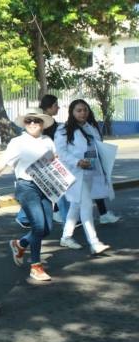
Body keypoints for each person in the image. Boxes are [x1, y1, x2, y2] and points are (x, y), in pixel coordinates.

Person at [0, 108, 57, 281]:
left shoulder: (48, 140)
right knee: (38, 226)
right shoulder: (18, 142)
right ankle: (36, 266)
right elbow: (4, 162)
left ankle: (20, 243)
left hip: (46, 187)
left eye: (36, 121)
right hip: (26, 186)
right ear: (24, 123)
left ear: (42, 124)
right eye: (29, 120)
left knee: (47, 228)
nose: (32, 124)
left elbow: (55, 161)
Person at [55, 99, 112, 255]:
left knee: (76, 206)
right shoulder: (63, 130)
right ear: (72, 112)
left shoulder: (91, 128)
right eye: (79, 110)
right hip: (74, 174)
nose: (82, 113)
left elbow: (98, 148)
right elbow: (61, 153)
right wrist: (77, 162)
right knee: (86, 206)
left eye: (85, 110)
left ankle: (66, 237)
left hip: (90, 172)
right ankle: (94, 242)